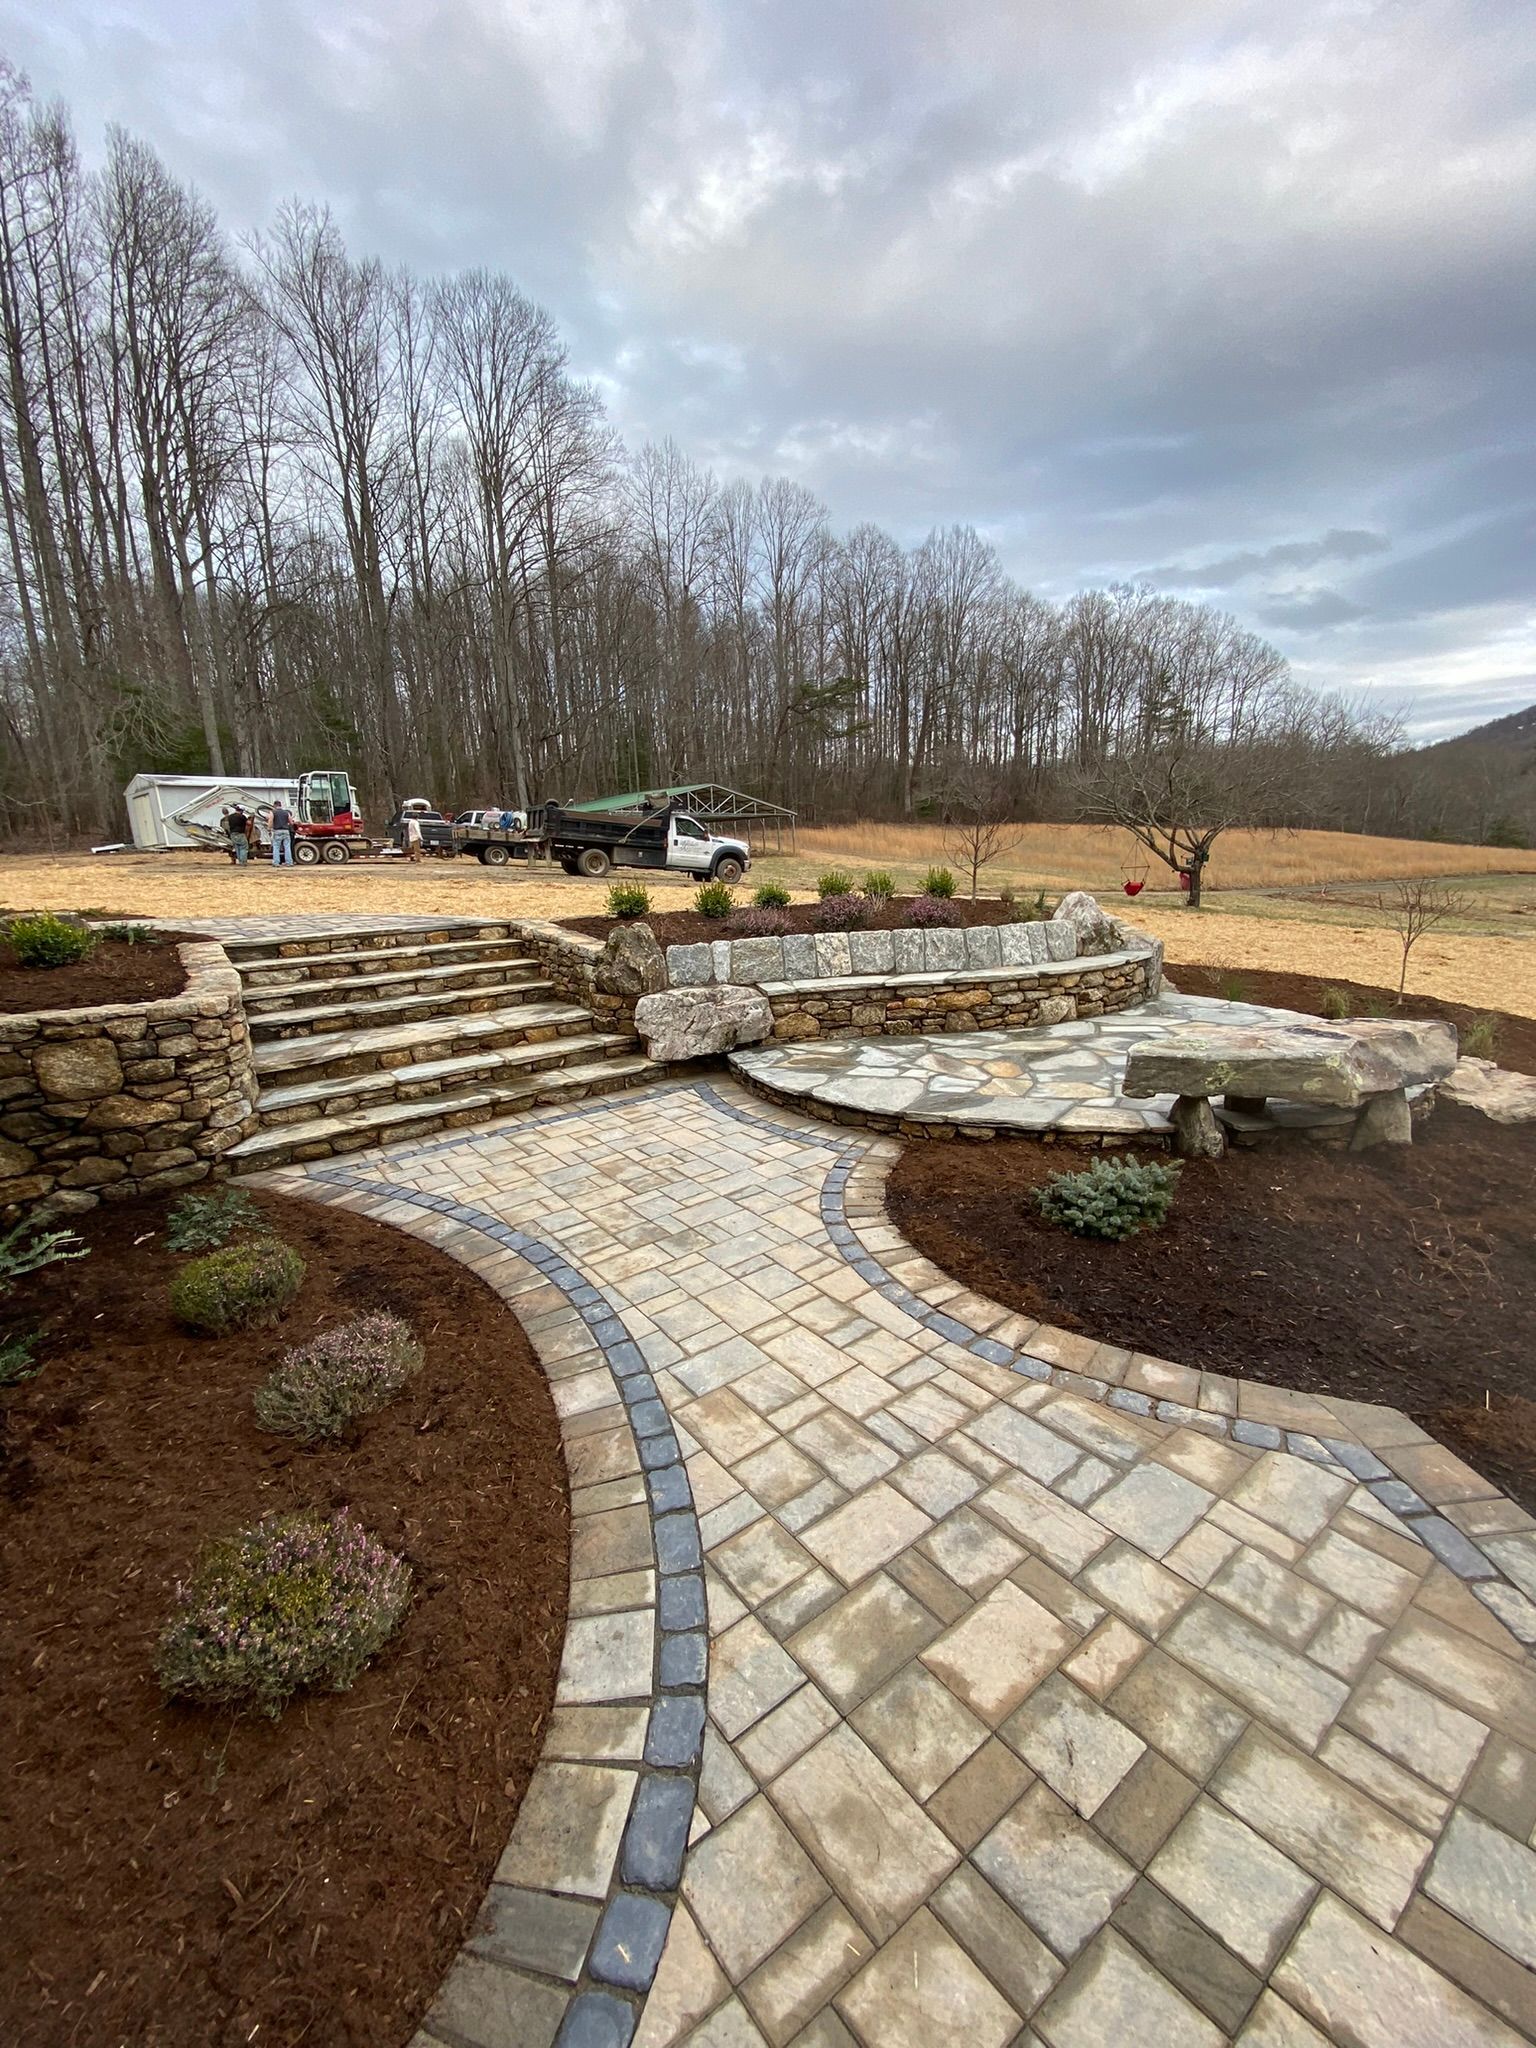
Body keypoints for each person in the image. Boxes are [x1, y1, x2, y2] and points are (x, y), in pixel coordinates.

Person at [270, 799, 295, 867]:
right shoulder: (286, 812)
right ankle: (289, 862)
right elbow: (291, 822)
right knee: (287, 847)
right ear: (280, 805)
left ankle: (276, 863)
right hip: (286, 831)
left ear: (274, 805)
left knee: (276, 847)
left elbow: (270, 820)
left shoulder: (273, 812)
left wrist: (269, 828)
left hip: (277, 831)